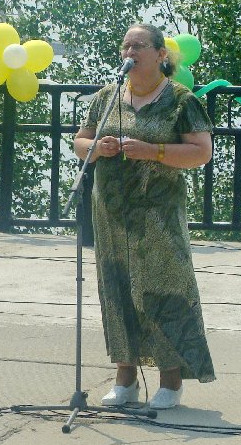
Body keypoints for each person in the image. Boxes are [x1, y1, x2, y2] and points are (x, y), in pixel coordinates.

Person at [73, 23, 215, 409]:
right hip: (112, 214)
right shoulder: (107, 97)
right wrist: (97, 147)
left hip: (158, 214)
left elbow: (201, 152)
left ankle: (171, 380)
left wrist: (153, 151)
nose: (129, 52)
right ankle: (125, 379)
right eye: (125, 46)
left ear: (160, 54)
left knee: (163, 289)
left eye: (138, 46)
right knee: (117, 289)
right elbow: (80, 142)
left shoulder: (181, 100)